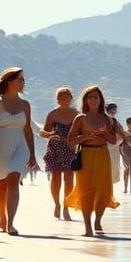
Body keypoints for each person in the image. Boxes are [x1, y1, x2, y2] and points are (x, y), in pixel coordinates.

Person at [0, 66, 39, 234]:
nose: (23, 82)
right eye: (20, 79)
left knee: (13, 180)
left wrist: (33, 152)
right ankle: (2, 218)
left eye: (23, 79)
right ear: (9, 81)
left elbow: (27, 129)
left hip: (20, 146)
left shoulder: (25, 105)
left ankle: (11, 223)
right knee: (0, 184)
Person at [64, 85, 120, 237]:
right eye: (90, 97)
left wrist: (105, 134)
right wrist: (86, 136)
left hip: (103, 154)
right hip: (86, 155)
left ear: (101, 100)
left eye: (96, 97)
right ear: (85, 100)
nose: (93, 100)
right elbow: (70, 140)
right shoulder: (80, 118)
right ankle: (88, 226)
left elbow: (114, 140)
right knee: (86, 191)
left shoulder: (107, 119)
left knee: (103, 190)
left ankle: (98, 221)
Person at [39, 86, 78, 219]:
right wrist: (50, 134)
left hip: (70, 148)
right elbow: (43, 132)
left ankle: (66, 206)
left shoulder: (76, 113)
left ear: (71, 99)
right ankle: (57, 204)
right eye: (61, 97)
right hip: (55, 147)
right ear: (57, 99)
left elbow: (81, 130)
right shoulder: (53, 114)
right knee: (56, 179)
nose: (64, 100)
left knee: (69, 179)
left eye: (67, 97)